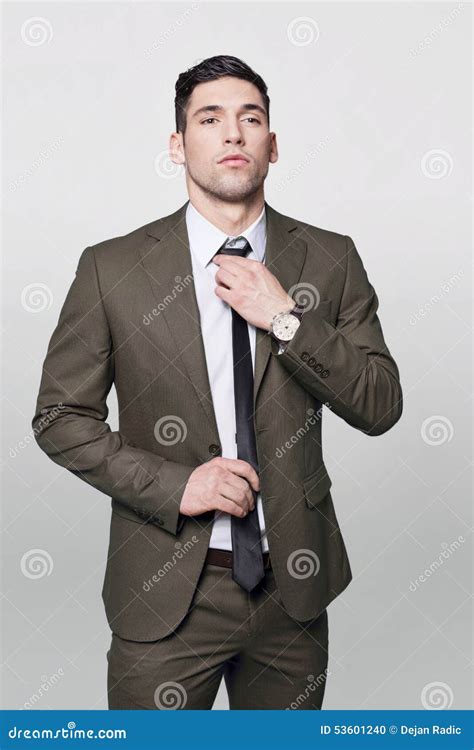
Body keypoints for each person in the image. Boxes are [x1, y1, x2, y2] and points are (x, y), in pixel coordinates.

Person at [32, 54, 403, 710]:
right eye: (210, 118)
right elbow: (62, 417)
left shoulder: (331, 258)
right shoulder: (111, 269)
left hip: (295, 588)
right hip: (166, 588)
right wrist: (180, 486)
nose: (232, 134)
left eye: (249, 118)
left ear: (272, 144)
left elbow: (380, 404)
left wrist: (285, 320)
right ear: (178, 146)